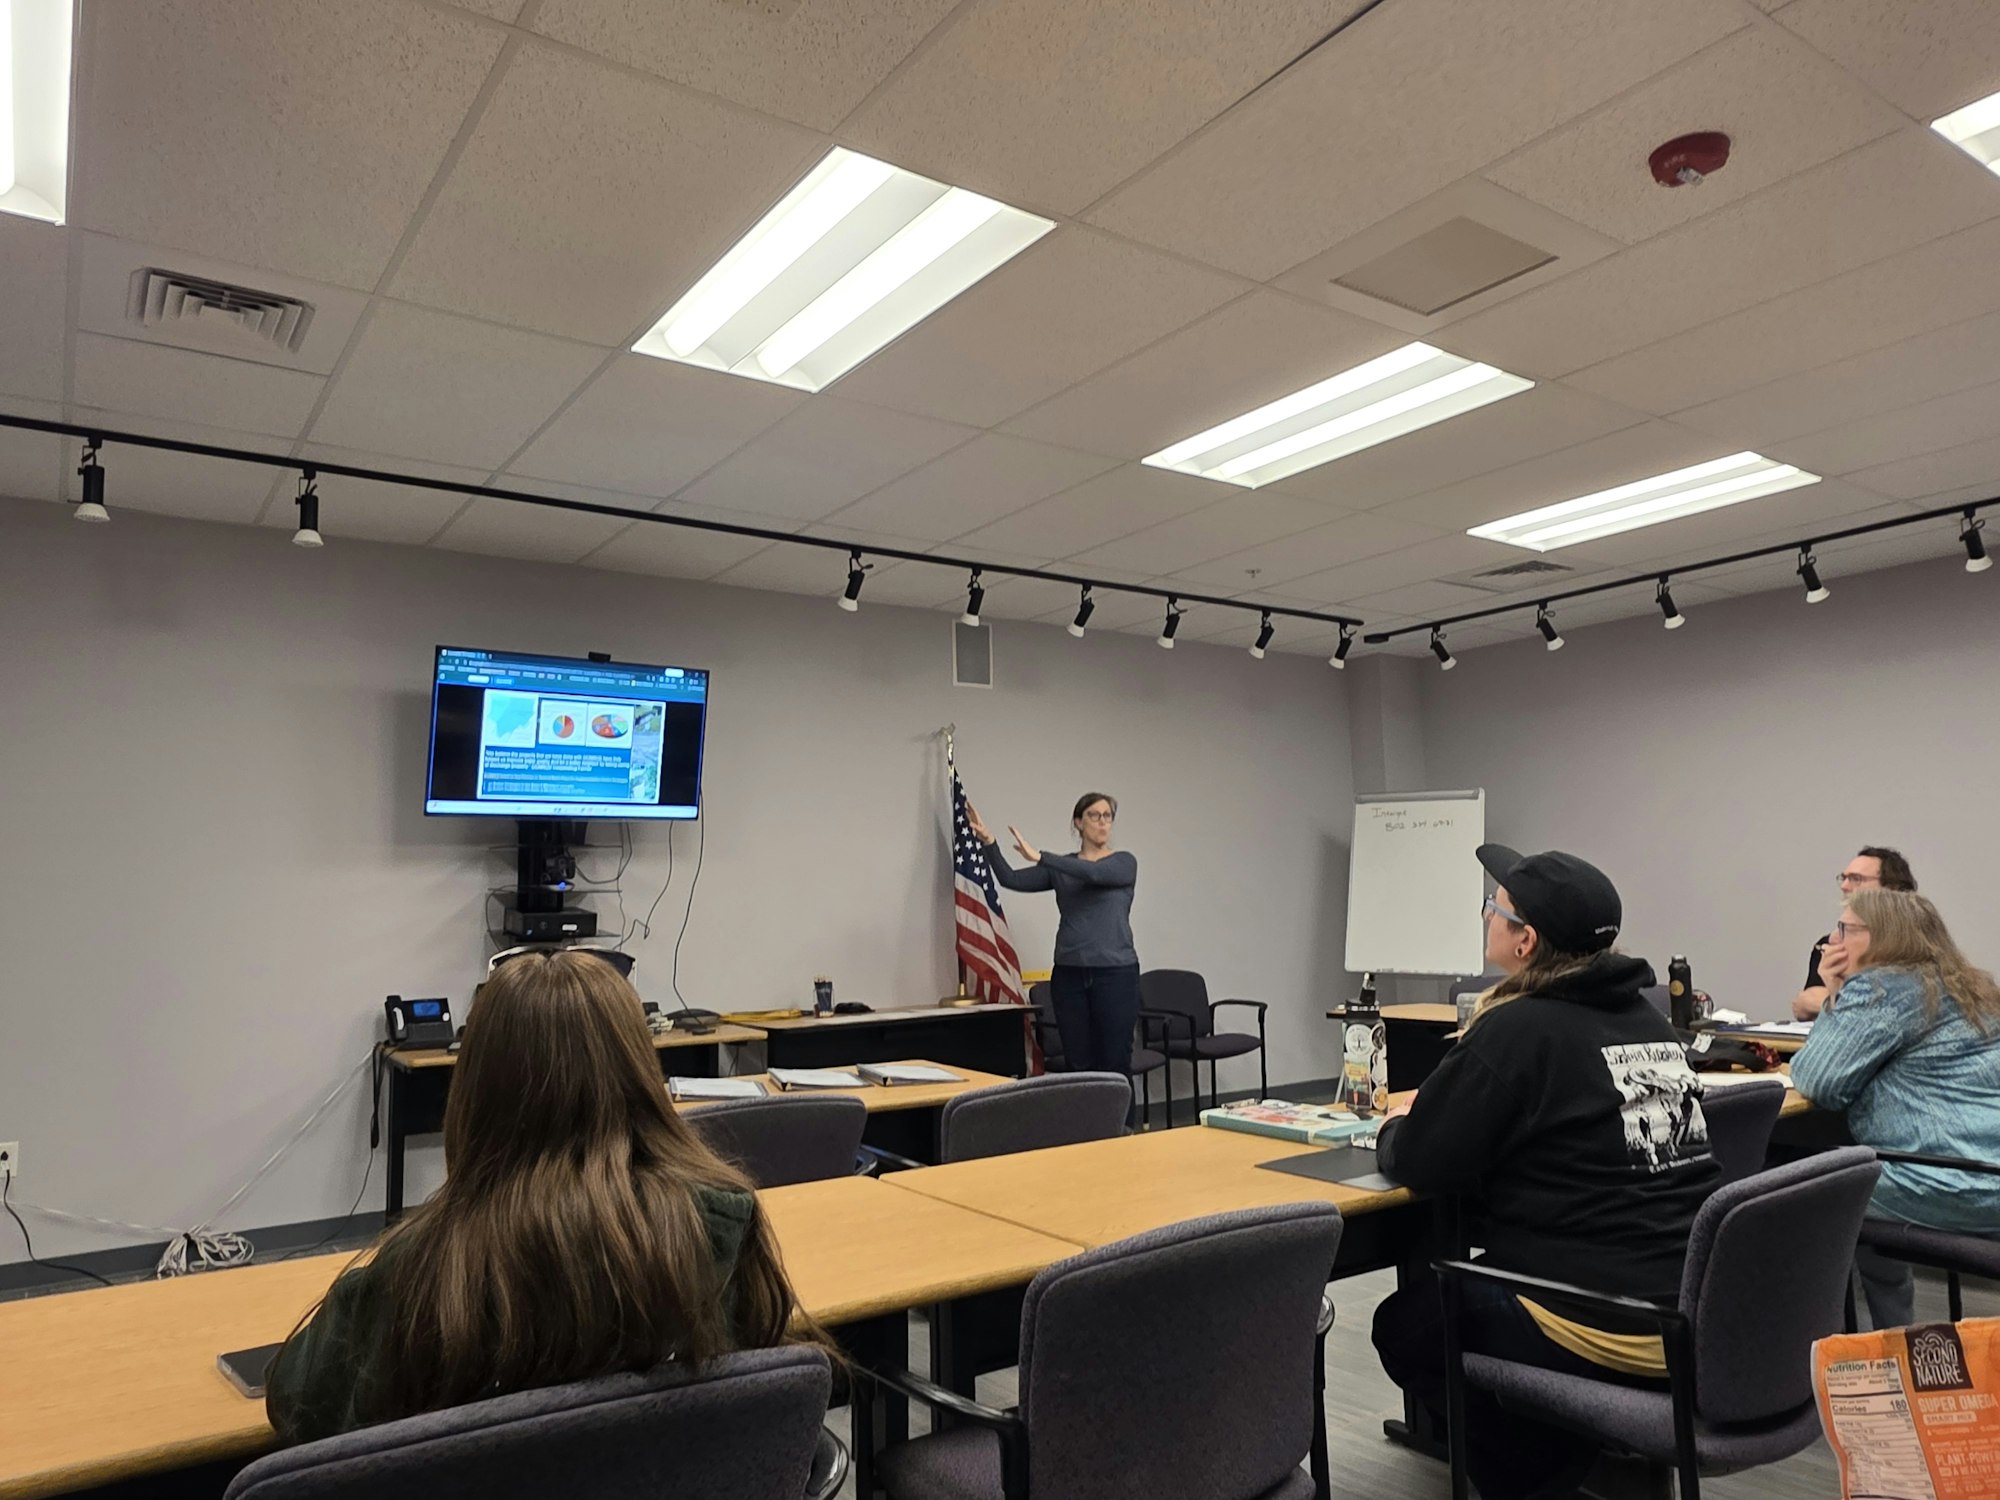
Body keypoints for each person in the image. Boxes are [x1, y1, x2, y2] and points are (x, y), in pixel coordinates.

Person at [266, 950, 809, 1444]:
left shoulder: (412, 1274)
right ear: (639, 1073)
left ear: (475, 1090)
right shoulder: (719, 1222)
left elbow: (297, 1403)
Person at [1371, 845, 1719, 1500]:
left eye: (1493, 909)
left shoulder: (1519, 1027)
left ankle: (1548, 1477)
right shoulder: (1645, 1019)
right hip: (1698, 1302)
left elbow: (1420, 1159)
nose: (1486, 918)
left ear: (1524, 940)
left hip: (1613, 1318)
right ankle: (1583, 1453)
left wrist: (1396, 1121)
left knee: (1407, 1327)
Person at [1791, 887, 2000, 1329]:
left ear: (1883, 936)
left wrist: (1834, 992)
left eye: (1845, 928)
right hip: (1989, 1174)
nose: (1831, 940)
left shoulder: (1882, 988)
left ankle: (1818, 1349)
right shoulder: (1969, 987)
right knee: (1857, 1175)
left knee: (1803, 1191)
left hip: (1946, 1179)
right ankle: (1897, 1333)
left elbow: (1819, 1080)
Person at [966, 793, 1139, 1088]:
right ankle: (1085, 1132)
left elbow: (1095, 874)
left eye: (1107, 816)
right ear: (1078, 823)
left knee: (1114, 1061)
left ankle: (1122, 1130)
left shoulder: (1123, 863)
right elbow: (1011, 879)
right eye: (1094, 816)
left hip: (1115, 974)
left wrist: (1043, 857)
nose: (1102, 823)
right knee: (1078, 1063)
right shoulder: (1061, 868)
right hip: (1069, 974)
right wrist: (989, 842)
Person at [1794, 847, 1917, 1021]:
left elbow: (1888, 1008)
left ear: (1891, 888)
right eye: (1844, 878)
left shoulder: (1914, 946)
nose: (1844, 886)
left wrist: (1832, 999)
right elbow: (1804, 1005)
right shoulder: (1831, 944)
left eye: (1856, 879)